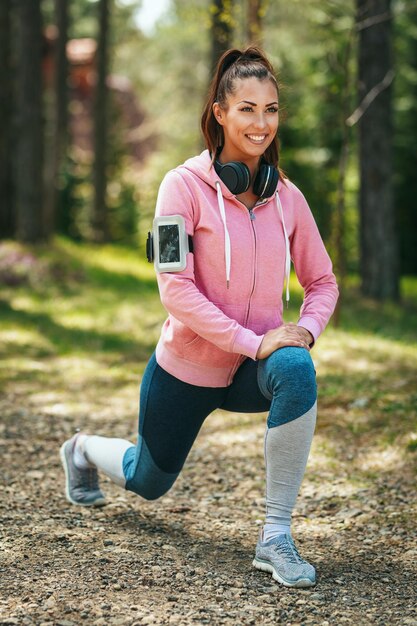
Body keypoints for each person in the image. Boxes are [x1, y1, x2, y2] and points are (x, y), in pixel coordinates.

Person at [60, 46, 338, 588]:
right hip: (189, 367)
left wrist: (303, 331)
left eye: (271, 109)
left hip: (252, 369)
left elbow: (322, 282)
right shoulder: (180, 186)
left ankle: (276, 536)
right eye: (247, 109)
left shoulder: (288, 198)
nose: (261, 124)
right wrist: (249, 340)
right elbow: (175, 291)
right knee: (148, 479)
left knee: (297, 367)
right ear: (219, 112)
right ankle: (82, 450)